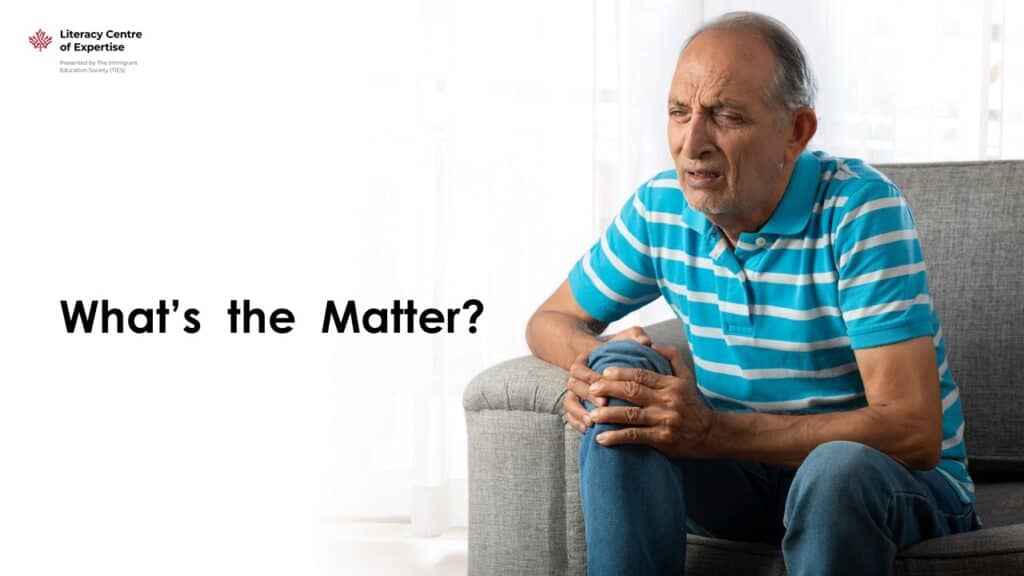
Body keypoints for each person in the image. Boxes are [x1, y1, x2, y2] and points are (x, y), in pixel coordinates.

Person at [524, 11, 981, 576]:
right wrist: (595, 374)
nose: (692, 144)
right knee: (624, 384)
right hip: (743, 476)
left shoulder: (860, 210)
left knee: (835, 471)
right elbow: (550, 319)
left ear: (796, 131)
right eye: (678, 113)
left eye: (726, 117)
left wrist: (712, 431)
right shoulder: (660, 208)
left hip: (885, 484)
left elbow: (913, 430)